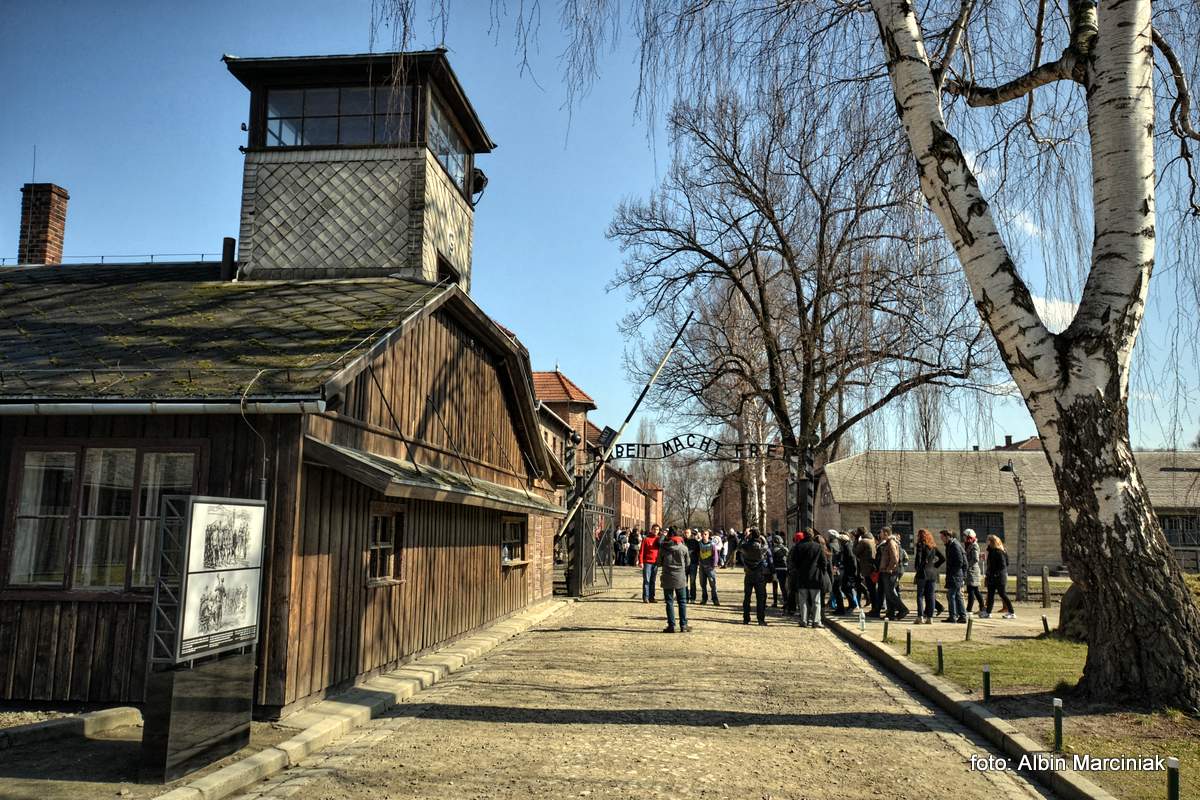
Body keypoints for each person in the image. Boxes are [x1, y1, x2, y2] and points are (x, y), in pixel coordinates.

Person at [790, 528, 827, 628]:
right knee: (816, 601)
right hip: (815, 576)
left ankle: (804, 620)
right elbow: (823, 562)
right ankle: (816, 621)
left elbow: (794, 561)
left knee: (803, 601)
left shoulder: (798, 546)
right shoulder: (818, 546)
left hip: (802, 576)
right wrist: (821, 573)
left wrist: (799, 570)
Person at [658, 530, 691, 632]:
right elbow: (688, 563)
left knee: (669, 602)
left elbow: (659, 562)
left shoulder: (663, 548)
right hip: (680, 577)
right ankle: (683, 625)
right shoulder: (683, 548)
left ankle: (671, 625)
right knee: (682, 602)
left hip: (667, 577)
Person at [739, 528, 773, 625]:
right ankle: (760, 619)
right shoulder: (760, 548)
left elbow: (739, 547)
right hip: (759, 574)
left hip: (749, 574)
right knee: (760, 598)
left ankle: (746, 618)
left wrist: (744, 537)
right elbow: (767, 547)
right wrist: (763, 538)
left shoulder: (746, 546)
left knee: (747, 597)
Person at [913, 529, 945, 624]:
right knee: (930, 596)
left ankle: (920, 616)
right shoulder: (933, 547)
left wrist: (917, 568)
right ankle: (930, 618)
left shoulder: (920, 545)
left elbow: (918, 559)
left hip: (923, 573)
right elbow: (943, 558)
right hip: (932, 573)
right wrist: (935, 565)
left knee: (920, 596)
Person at [983, 535, 1015, 618]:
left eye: (988, 541)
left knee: (1002, 594)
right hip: (992, 576)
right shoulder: (991, 551)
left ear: (992, 542)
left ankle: (1011, 612)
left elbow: (1003, 565)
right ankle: (988, 612)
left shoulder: (999, 552)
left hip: (999, 577)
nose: (987, 542)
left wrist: (995, 573)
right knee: (990, 595)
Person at [941, 529, 968, 623]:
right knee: (957, 595)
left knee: (951, 595)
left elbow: (960, 561)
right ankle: (962, 616)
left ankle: (953, 616)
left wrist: (953, 572)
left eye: (942, 537)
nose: (941, 539)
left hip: (955, 575)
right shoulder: (950, 545)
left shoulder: (954, 545)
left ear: (948, 536)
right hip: (955, 575)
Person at [876, 527, 903, 620]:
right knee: (888, 594)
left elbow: (895, 559)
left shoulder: (891, 543)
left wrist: (889, 569)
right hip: (886, 571)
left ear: (886, 533)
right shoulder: (887, 542)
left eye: (882, 533)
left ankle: (903, 609)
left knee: (890, 593)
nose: (880, 535)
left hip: (890, 572)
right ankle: (890, 613)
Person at [853, 528, 879, 617]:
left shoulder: (863, 541)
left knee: (871, 590)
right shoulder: (872, 540)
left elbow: (855, 551)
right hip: (872, 567)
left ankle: (874, 609)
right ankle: (875, 608)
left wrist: (856, 540)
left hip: (867, 568)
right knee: (873, 589)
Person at [963, 529, 985, 614]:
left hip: (972, 571)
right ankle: (982, 607)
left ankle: (969, 609)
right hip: (971, 570)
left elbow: (975, 559)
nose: (964, 538)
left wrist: (967, 566)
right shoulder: (969, 545)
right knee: (975, 590)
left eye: (965, 536)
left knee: (971, 590)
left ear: (970, 537)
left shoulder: (974, 545)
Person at [637, 524, 662, 602]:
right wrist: (641, 562)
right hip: (647, 562)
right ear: (651, 529)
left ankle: (652, 597)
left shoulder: (659, 539)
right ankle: (646, 597)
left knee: (653, 581)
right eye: (654, 529)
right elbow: (641, 551)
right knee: (646, 580)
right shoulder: (646, 539)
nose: (656, 531)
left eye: (657, 529)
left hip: (655, 563)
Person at [698, 529, 720, 605]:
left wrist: (713, 565)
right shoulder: (699, 543)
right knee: (703, 584)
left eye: (705, 534)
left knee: (713, 584)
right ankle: (704, 599)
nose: (704, 536)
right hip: (702, 567)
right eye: (703, 534)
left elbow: (715, 556)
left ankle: (715, 599)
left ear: (708, 535)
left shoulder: (712, 544)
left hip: (710, 568)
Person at [826, 530, 846, 613]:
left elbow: (831, 559)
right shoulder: (838, 545)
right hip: (839, 569)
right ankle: (839, 607)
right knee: (837, 589)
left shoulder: (830, 545)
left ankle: (840, 608)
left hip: (834, 569)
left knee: (836, 589)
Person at [770, 534, 789, 608]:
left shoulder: (773, 549)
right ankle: (785, 602)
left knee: (775, 586)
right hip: (785, 569)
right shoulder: (785, 548)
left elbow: (772, 561)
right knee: (783, 587)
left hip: (776, 569)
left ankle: (775, 602)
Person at [684, 529, 701, 601]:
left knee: (692, 581)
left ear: (690, 534)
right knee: (684, 582)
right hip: (684, 564)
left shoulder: (695, 542)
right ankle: (686, 597)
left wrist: (699, 562)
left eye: (687, 533)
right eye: (685, 533)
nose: (686, 534)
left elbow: (699, 552)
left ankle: (693, 597)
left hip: (693, 564)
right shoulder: (682, 541)